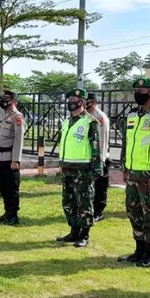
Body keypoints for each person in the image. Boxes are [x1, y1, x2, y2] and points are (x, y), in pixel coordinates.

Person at [118, 77, 150, 268]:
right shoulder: (131, 115)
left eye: (143, 91)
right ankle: (138, 250)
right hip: (132, 172)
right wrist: (124, 166)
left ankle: (149, 253)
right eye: (137, 91)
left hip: (149, 174)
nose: (139, 94)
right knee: (134, 212)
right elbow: (127, 143)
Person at [56, 88, 102, 247]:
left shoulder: (90, 122)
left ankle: (84, 234)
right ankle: (73, 231)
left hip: (83, 170)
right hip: (67, 168)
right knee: (69, 202)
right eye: (69, 100)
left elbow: (96, 147)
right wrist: (61, 163)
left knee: (84, 202)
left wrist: (96, 169)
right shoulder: (66, 122)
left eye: (74, 100)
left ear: (82, 102)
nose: (70, 103)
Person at [0, 90, 24, 225]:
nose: (2, 102)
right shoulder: (4, 116)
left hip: (10, 158)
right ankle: (7, 212)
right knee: (3, 186)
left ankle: (13, 215)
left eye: (5, 99)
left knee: (11, 188)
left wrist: (15, 160)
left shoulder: (17, 117)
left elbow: (18, 140)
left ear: (11, 100)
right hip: (1, 157)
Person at [86, 92, 110, 221]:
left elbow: (103, 140)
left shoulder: (100, 117)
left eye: (88, 102)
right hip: (87, 157)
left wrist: (100, 160)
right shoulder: (84, 115)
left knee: (100, 187)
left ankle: (98, 212)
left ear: (94, 103)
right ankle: (89, 210)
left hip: (100, 158)